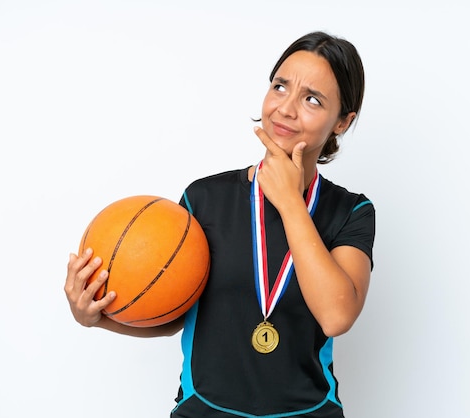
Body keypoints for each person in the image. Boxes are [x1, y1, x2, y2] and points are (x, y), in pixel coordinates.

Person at [64, 31, 375, 418]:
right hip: (204, 411)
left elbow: (336, 315)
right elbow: (173, 312)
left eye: (312, 99)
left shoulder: (352, 211)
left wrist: (290, 201)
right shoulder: (203, 199)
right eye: (280, 87)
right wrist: (97, 318)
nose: (287, 109)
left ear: (343, 121)